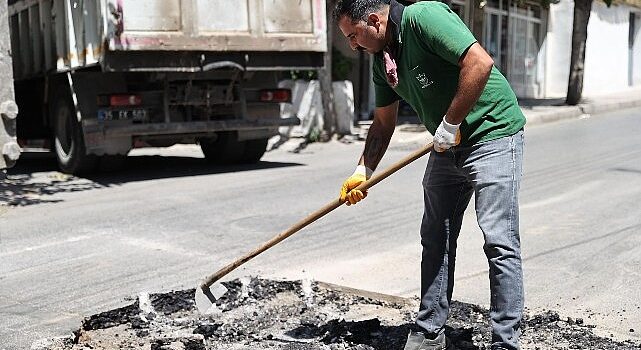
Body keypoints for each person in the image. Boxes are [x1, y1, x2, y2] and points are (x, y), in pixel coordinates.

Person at [333, 0, 526, 349]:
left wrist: (450, 124)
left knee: (499, 240)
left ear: (375, 21)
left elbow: (480, 62)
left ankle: (505, 341)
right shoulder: (383, 60)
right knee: (435, 235)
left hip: (494, 133)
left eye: (353, 36)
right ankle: (429, 330)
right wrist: (363, 171)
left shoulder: (424, 18)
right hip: (447, 144)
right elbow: (382, 123)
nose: (353, 46)